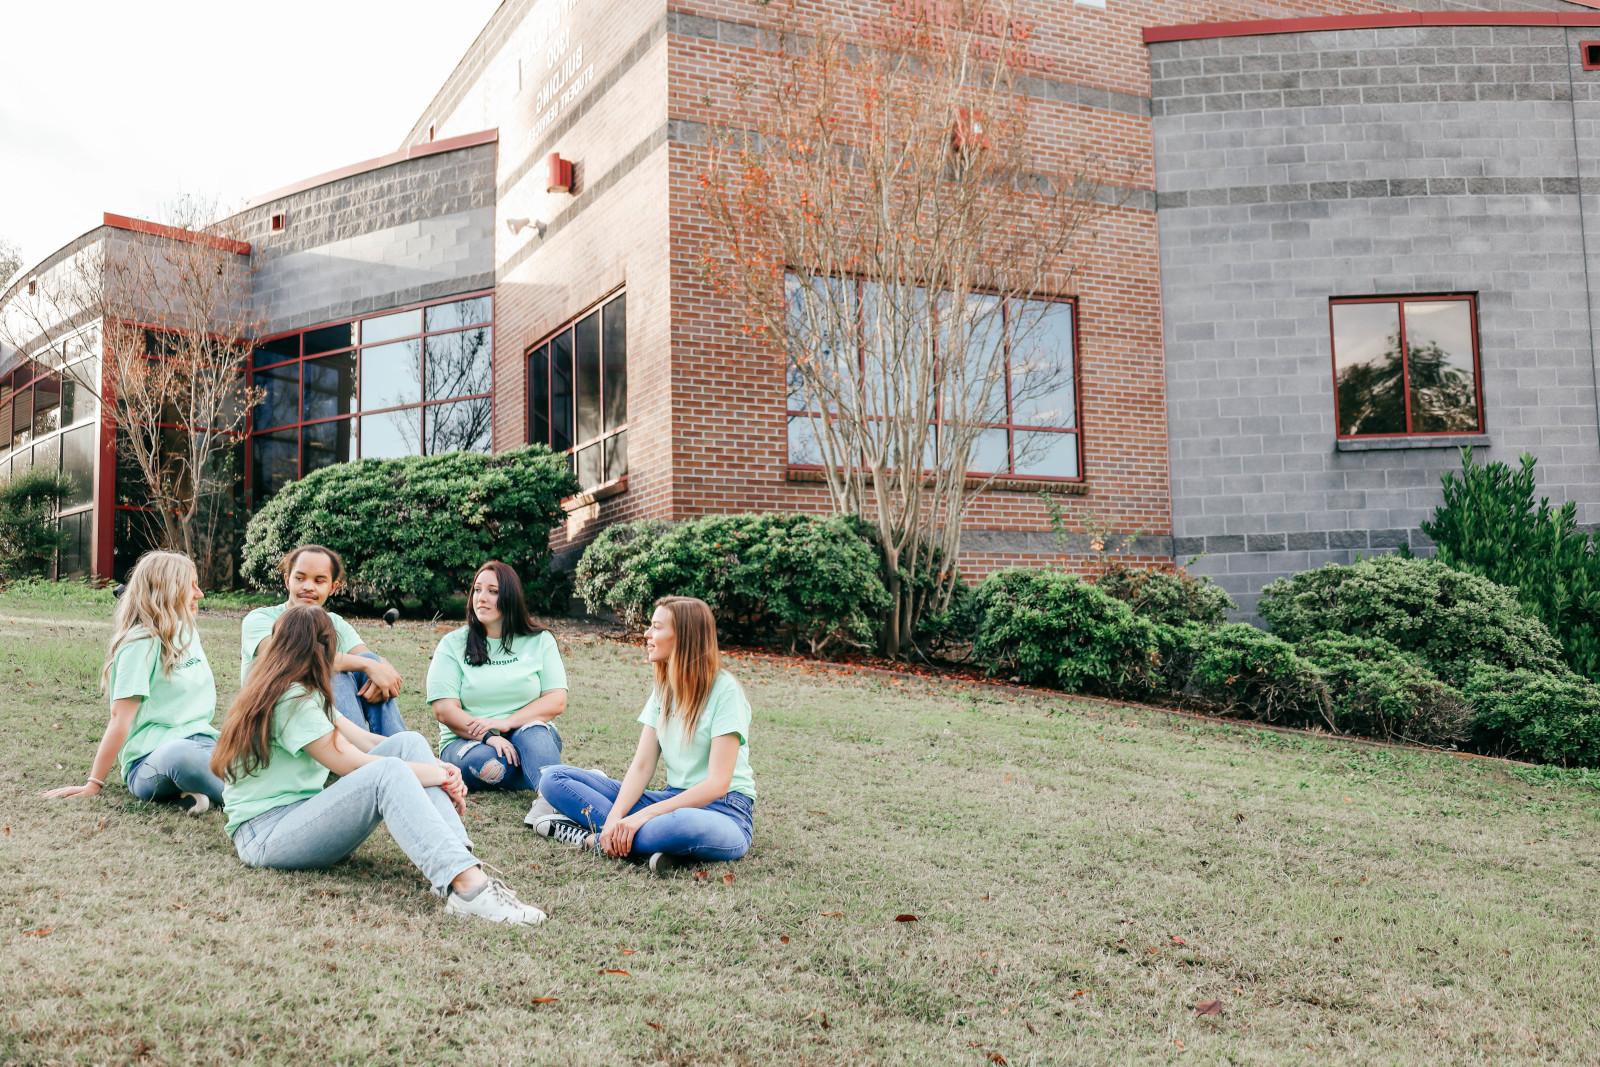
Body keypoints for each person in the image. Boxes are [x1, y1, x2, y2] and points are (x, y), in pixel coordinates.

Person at [213, 604, 546, 925]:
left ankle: (457, 860)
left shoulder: (303, 690)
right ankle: (470, 890)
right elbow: (356, 767)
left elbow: (368, 742)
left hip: (300, 814)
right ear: (324, 652)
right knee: (386, 772)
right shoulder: (290, 701)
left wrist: (435, 766)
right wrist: (441, 774)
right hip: (266, 835)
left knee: (408, 743)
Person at [530, 596, 755, 876]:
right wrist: (615, 819)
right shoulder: (664, 689)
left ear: (684, 636)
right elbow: (642, 766)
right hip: (671, 800)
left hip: (725, 812)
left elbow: (717, 785)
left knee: (679, 825)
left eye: (657, 627)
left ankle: (592, 838)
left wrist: (641, 817)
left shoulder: (725, 691)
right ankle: (641, 843)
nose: (647, 635)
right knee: (554, 778)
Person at [42, 550, 225, 813]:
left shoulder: (187, 632)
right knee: (183, 756)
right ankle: (252, 802)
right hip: (151, 759)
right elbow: (120, 720)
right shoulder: (139, 645)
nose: (199, 594)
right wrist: (93, 784)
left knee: (253, 748)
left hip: (203, 741)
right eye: (191, 586)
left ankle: (192, 793)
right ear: (168, 590)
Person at [427, 561, 567, 800]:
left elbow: (556, 700)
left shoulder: (540, 640)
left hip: (528, 732)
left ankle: (551, 802)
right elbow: (444, 710)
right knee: (490, 764)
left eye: (493, 591)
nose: (482, 597)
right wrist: (489, 736)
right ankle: (558, 776)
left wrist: (506, 722)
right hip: (467, 742)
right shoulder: (452, 644)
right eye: (477, 589)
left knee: (535, 739)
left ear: (510, 597)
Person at [240, 544, 405, 736]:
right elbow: (289, 657)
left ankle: (398, 748)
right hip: (273, 714)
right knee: (332, 670)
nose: (308, 587)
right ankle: (360, 759)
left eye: (319, 581)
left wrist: (376, 667)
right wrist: (367, 665)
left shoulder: (335, 623)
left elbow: (367, 658)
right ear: (287, 581)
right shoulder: (260, 619)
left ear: (333, 587)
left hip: (319, 719)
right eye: (299, 578)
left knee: (368, 664)